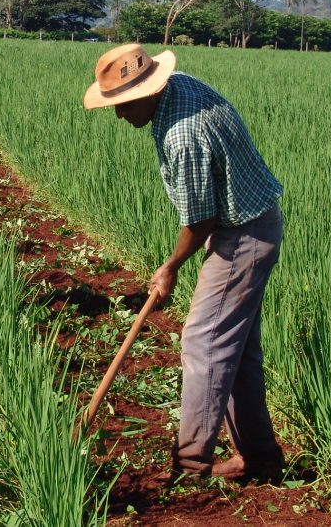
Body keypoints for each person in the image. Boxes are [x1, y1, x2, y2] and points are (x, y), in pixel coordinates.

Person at [82, 43, 285, 482]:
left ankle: (190, 464)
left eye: (122, 104)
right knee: (236, 352)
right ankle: (261, 460)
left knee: (204, 342)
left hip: (241, 235)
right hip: (248, 224)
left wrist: (171, 265)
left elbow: (201, 217)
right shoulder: (179, 88)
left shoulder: (182, 133)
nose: (118, 115)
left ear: (148, 92)